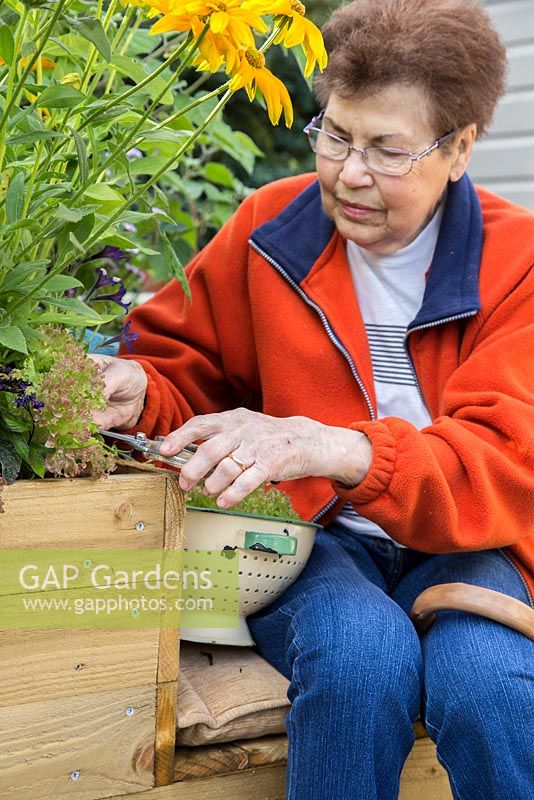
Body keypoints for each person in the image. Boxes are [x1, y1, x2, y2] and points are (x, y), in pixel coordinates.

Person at [93, 1, 534, 797]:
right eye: (336, 135)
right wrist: (139, 393)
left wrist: (330, 445)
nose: (349, 174)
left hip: (474, 540)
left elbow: (504, 457)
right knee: (360, 656)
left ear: (461, 147)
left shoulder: (521, 263)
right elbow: (184, 374)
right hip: (308, 536)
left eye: (387, 150)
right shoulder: (269, 226)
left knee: (490, 680)